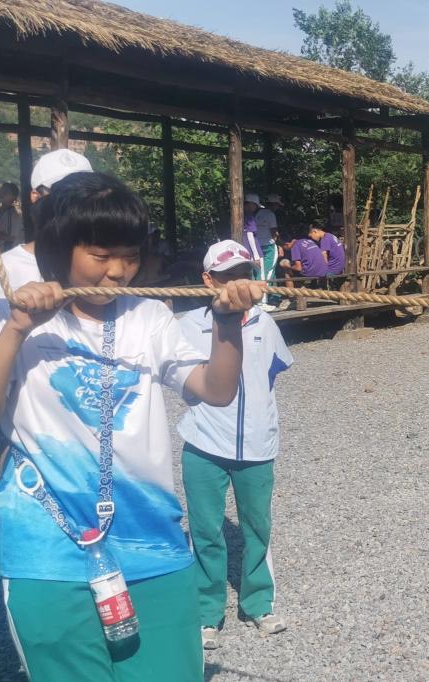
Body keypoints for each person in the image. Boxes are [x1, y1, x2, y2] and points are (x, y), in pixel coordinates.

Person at [0, 172, 265, 682]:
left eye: (130, 255)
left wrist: (227, 323)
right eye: (100, 255)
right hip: (47, 554)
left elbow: (216, 389)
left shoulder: (149, 317)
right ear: (59, 249)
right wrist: (16, 330)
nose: (118, 271)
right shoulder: (11, 315)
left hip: (153, 543)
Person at [177, 240, 293, 650]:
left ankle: (259, 604)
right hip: (204, 444)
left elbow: (273, 372)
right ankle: (207, 612)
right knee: (205, 531)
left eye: (244, 273)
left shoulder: (265, 322)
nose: (237, 282)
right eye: (227, 276)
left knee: (258, 528)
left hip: (257, 446)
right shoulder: (187, 325)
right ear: (208, 280)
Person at [0, 149, 93, 307]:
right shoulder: (9, 268)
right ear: (35, 196)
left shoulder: (115, 260)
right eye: (62, 193)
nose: (77, 201)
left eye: (89, 193)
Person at [276, 231, 329, 311]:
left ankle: (291, 298)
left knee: (287, 271)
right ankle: (301, 288)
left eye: (283, 247)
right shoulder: (307, 241)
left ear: (286, 244)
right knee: (296, 267)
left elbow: (298, 268)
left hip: (312, 271)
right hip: (323, 270)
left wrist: (286, 266)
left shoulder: (294, 247)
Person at [0, 182, 24, 252]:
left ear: (14, 196)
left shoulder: (14, 214)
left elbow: (12, 238)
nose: (1, 194)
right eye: (1, 191)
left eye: (5, 192)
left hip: (9, 251)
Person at [243, 193, 262, 267]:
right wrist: (256, 256)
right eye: (255, 205)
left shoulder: (240, 216)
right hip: (253, 252)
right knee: (261, 274)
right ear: (251, 204)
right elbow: (250, 235)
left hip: (244, 252)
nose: (256, 208)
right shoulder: (250, 217)